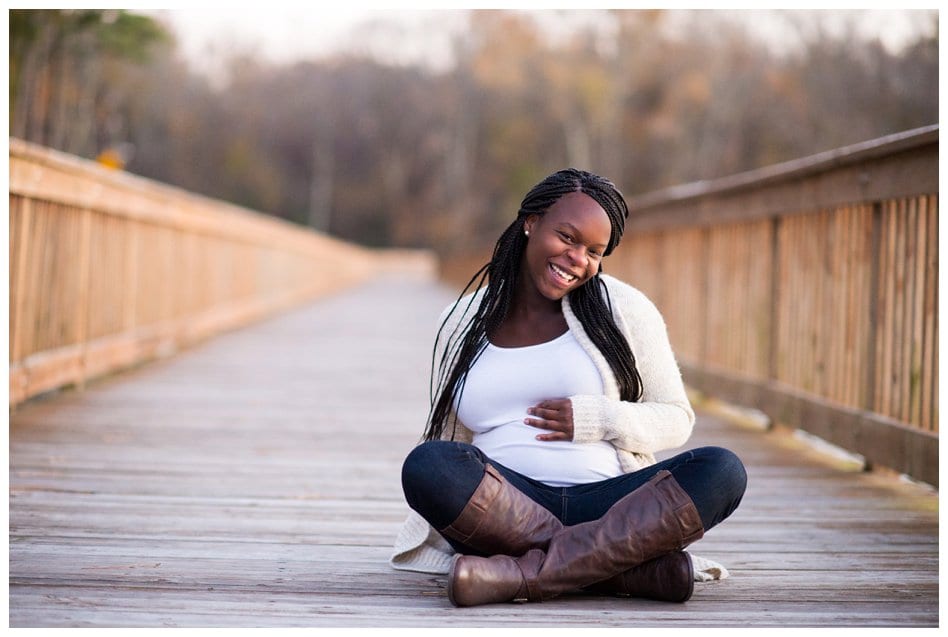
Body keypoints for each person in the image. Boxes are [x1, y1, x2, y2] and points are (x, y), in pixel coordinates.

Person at [391, 168, 747, 607]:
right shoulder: (461, 320)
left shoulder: (624, 309)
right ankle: (622, 572)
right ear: (531, 222)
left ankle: (518, 575)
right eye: (567, 237)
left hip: (612, 507)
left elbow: (676, 418)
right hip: (503, 510)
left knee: (723, 470)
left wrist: (599, 417)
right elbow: (450, 441)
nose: (578, 258)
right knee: (429, 466)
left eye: (594, 251)